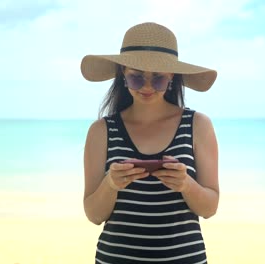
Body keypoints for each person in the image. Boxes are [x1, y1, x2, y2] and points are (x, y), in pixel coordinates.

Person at [81, 22, 219, 264]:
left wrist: (186, 184)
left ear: (172, 78)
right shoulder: (101, 131)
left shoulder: (197, 125)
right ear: (123, 73)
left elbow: (209, 208)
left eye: (157, 79)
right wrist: (111, 184)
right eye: (137, 78)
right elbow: (93, 214)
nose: (147, 87)